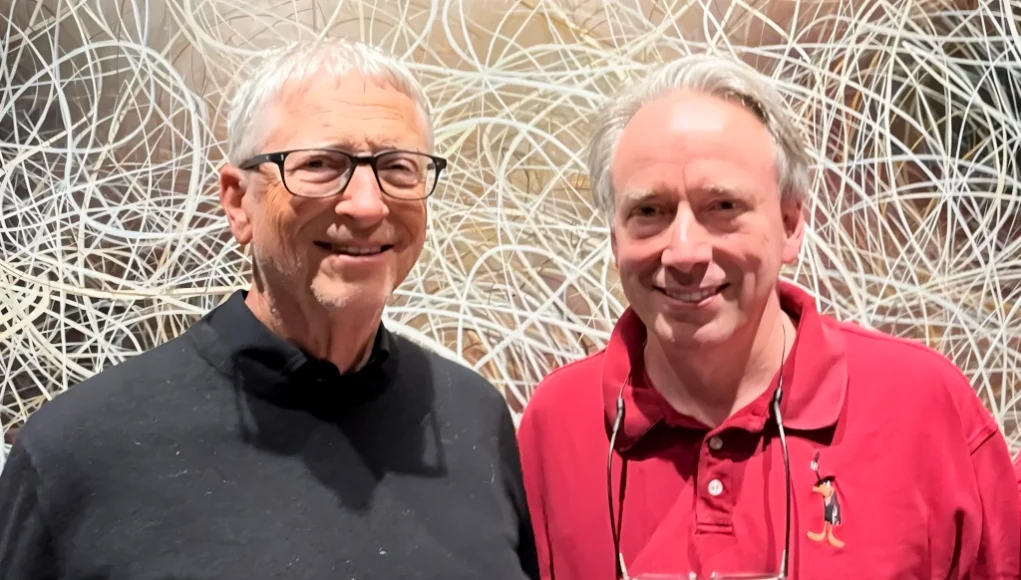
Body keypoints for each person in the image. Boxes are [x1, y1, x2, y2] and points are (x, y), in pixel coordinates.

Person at [0, 39, 539, 580]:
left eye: (398, 167)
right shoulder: (79, 454)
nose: (368, 204)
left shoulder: (472, 419)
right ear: (239, 202)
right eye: (322, 165)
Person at [517, 53, 1020, 579]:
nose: (684, 251)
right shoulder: (559, 427)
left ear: (790, 224)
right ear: (614, 236)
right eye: (649, 212)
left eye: (723, 207)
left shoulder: (920, 407)